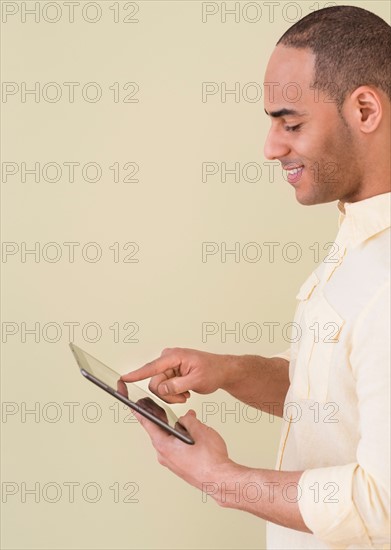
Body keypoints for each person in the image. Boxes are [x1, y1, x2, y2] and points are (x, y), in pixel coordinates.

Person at [121, 5, 390, 549]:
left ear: (364, 109)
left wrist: (219, 479)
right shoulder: (358, 239)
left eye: (290, 124)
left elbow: (380, 504)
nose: (271, 147)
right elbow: (340, 399)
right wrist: (231, 371)